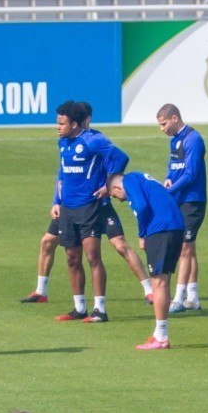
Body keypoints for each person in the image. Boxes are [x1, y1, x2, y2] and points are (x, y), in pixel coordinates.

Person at [50, 100, 152, 324]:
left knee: (93, 257)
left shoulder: (92, 140)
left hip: (89, 207)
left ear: (75, 124)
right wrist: (57, 200)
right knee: (71, 258)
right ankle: (79, 308)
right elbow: (62, 172)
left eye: (62, 123)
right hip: (68, 209)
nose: (57, 127)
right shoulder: (63, 143)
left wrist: (109, 186)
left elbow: (121, 157)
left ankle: (100, 310)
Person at [107, 173, 186, 350]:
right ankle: (160, 334)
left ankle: (162, 338)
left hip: (161, 230)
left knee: (158, 282)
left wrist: (142, 234)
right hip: (175, 227)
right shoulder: (144, 179)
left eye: (114, 196)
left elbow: (142, 207)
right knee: (163, 281)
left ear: (116, 187)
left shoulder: (129, 180)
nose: (118, 200)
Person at [156, 104, 208, 313]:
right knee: (189, 247)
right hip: (179, 199)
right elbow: (173, 166)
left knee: (184, 248)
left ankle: (178, 298)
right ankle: (193, 297)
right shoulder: (175, 140)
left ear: (175, 118)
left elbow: (191, 174)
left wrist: (170, 190)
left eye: (164, 124)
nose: (162, 128)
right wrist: (168, 180)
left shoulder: (193, 139)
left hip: (192, 201)